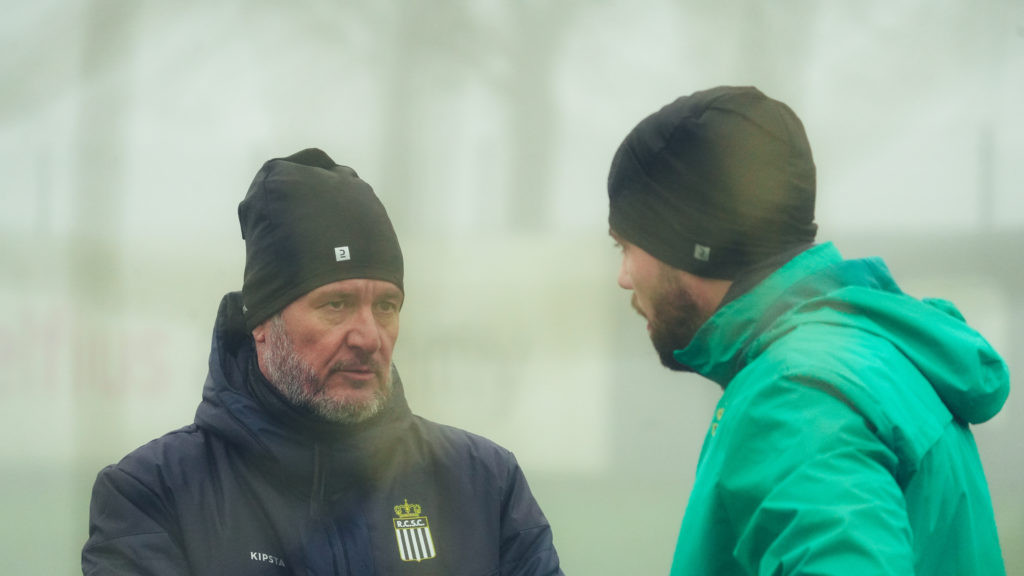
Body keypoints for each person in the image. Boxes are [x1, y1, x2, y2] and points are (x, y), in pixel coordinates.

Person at [82, 148, 564, 576]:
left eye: (386, 306)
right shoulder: (152, 497)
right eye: (336, 304)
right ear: (263, 321)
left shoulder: (483, 485)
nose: (368, 336)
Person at [607, 86, 1009, 575]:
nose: (624, 277)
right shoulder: (870, 354)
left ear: (691, 243)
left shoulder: (795, 396)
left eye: (626, 245)